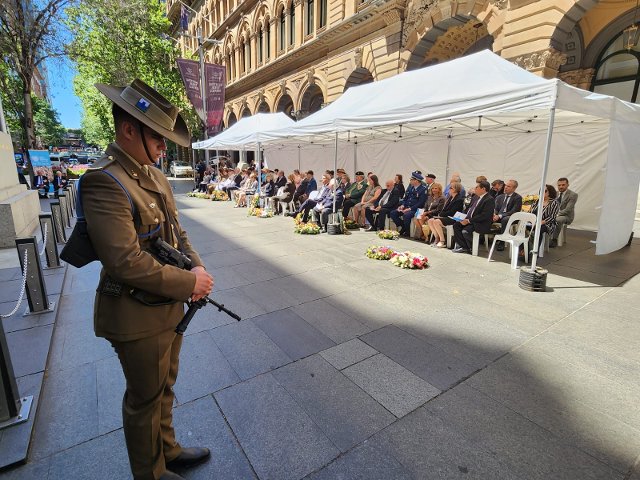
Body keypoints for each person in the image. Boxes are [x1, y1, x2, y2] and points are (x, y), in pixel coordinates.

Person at [81, 79, 214, 480]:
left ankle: (168, 451)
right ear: (127, 130)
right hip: (135, 314)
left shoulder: (152, 175)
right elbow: (125, 262)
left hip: (166, 306)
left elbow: (178, 233)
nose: (163, 147)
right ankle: (150, 474)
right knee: (144, 399)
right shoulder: (104, 180)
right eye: (157, 138)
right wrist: (188, 284)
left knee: (164, 387)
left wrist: (197, 268)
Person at [452, 180, 495, 254]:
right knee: (456, 225)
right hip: (471, 220)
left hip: (480, 223)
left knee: (465, 231)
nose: (475, 188)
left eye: (477, 187)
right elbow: (468, 209)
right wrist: (461, 217)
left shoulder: (489, 199)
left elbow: (484, 215)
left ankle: (471, 247)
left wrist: (468, 221)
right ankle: (465, 247)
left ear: (483, 189)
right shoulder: (475, 197)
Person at [389, 171, 428, 236]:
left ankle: (407, 232)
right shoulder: (411, 188)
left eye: (411, 180)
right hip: (407, 207)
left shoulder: (423, 189)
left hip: (416, 209)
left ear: (416, 181)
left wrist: (409, 209)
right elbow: (405, 198)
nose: (410, 181)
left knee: (406, 215)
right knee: (393, 213)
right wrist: (403, 205)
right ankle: (403, 226)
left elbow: (421, 203)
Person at [427, 182, 465, 247]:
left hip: (453, 218)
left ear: (455, 189)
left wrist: (441, 214)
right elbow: (445, 209)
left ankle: (442, 241)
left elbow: (453, 212)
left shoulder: (459, 199)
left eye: (451, 188)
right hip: (446, 216)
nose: (449, 189)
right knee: (430, 221)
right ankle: (437, 238)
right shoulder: (450, 198)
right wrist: (441, 214)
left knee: (437, 221)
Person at [528, 184, 560, 254]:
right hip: (533, 222)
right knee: (522, 229)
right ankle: (524, 250)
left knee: (539, 229)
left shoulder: (554, 203)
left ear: (550, 192)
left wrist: (542, 222)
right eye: (541, 191)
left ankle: (535, 252)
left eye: (544, 191)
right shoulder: (537, 201)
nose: (542, 192)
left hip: (547, 224)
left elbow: (552, 217)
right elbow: (530, 212)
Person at [492, 179, 523, 251]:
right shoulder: (500, 197)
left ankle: (502, 241)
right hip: (499, 216)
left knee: (505, 219)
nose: (505, 187)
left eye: (508, 186)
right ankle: (483, 236)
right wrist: (494, 214)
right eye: (505, 185)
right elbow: (496, 208)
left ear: (514, 188)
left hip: (511, 218)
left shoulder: (517, 198)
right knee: (488, 216)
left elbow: (514, 211)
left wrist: (500, 216)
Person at [550, 177, 578, 247]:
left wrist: (556, 214)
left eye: (563, 185)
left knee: (557, 220)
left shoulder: (573, 195)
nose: (561, 187)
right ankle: (544, 237)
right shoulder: (555, 193)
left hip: (566, 216)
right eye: (559, 185)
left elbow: (568, 209)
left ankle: (554, 239)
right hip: (555, 214)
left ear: (568, 185)